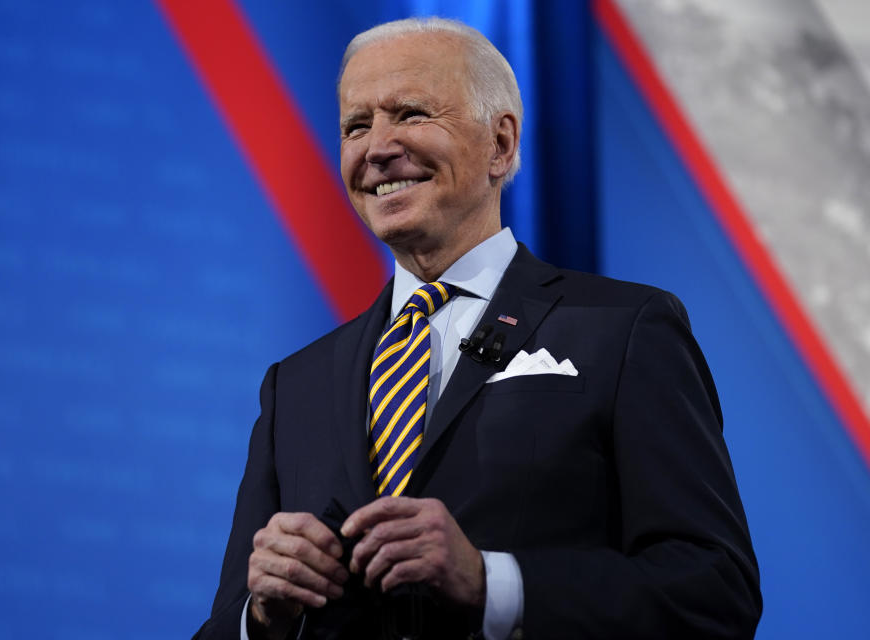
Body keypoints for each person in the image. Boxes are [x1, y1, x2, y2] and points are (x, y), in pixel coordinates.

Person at [193, 17, 761, 640]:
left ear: (501, 145)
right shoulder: (293, 387)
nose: (376, 147)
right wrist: (263, 616)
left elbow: (714, 591)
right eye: (356, 126)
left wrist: (493, 585)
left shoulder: (624, 330)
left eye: (409, 114)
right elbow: (223, 627)